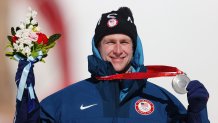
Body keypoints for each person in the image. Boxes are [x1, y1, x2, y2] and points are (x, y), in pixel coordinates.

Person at [14, 7, 210, 123]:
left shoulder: (162, 102)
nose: (117, 50)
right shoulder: (64, 102)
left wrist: (197, 112)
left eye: (124, 42)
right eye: (109, 42)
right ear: (98, 47)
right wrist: (25, 98)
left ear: (135, 48)